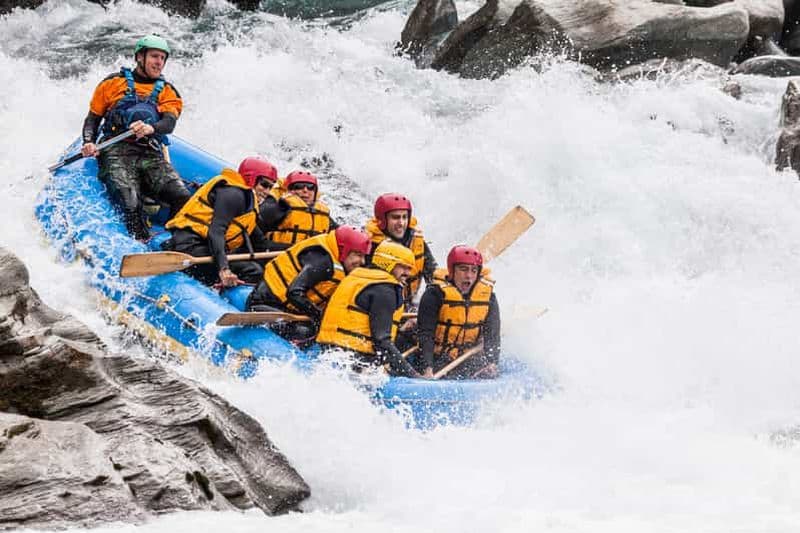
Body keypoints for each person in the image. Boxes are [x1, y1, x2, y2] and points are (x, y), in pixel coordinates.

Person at [80, 34, 190, 241]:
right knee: (130, 201)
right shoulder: (112, 84)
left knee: (182, 196)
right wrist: (88, 142)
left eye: (163, 59)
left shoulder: (167, 91)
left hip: (149, 152)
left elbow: (169, 123)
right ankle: (140, 240)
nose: (159, 63)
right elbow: (93, 119)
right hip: (116, 151)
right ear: (140, 57)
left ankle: (177, 242)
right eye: (154, 57)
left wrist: (151, 128)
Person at [164, 157, 277, 287]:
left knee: (258, 268)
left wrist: (300, 249)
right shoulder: (234, 194)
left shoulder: (249, 205)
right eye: (264, 185)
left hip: (205, 248)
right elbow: (216, 231)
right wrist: (224, 269)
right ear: (251, 178)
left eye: (270, 187)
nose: (267, 191)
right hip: (188, 246)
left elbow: (261, 244)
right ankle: (215, 290)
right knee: (253, 271)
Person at [245, 226, 372, 341]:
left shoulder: (336, 261)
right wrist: (318, 315)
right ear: (343, 250)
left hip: (288, 308)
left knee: (314, 330)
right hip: (263, 303)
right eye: (357, 254)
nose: (362, 261)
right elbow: (294, 293)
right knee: (306, 331)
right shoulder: (322, 262)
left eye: (364, 256)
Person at [317, 241, 421, 378]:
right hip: (354, 361)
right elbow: (382, 340)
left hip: (330, 353)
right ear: (387, 262)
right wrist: (413, 375)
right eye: (403, 267)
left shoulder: (358, 277)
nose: (407, 273)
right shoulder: (385, 290)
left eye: (409, 268)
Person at [416, 245, 501, 379]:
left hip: (469, 358)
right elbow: (426, 335)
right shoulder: (434, 294)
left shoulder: (488, 297)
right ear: (451, 271)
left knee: (487, 372)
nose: (469, 276)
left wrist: (492, 363)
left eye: (474, 271)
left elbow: (493, 336)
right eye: (463, 269)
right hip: (439, 358)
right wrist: (427, 368)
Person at [364, 193, 437, 306]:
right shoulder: (370, 245)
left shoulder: (416, 242)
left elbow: (432, 274)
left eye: (405, 217)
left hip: (408, 305)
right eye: (395, 217)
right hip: (380, 306)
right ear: (382, 219)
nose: (401, 223)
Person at [258, 170, 337, 251]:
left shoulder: (323, 214)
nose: (305, 190)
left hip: (312, 260)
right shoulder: (279, 207)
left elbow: (339, 236)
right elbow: (256, 237)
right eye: (298, 186)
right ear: (288, 191)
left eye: (310, 187)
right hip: (280, 257)